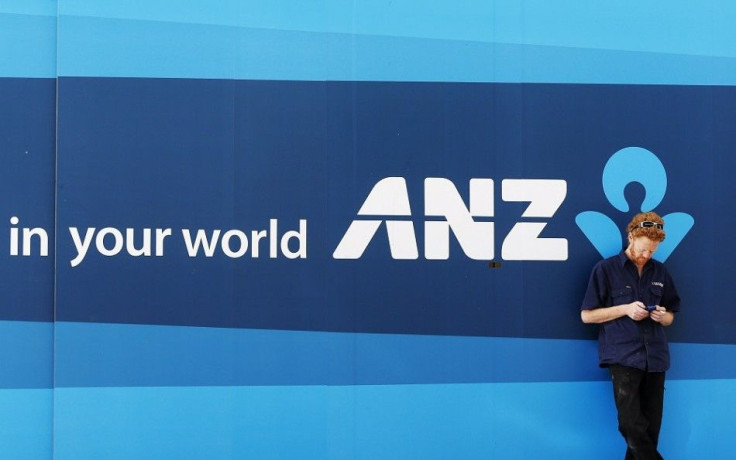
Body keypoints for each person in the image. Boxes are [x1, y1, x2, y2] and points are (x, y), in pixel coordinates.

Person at [581, 211, 680, 460]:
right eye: (643, 249)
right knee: (630, 425)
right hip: (623, 357)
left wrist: (661, 315)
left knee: (649, 430)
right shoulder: (605, 270)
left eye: (653, 251)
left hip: (655, 358)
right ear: (631, 236)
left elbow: (671, 316)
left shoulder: (660, 273)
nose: (646, 255)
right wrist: (625, 309)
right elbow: (587, 316)